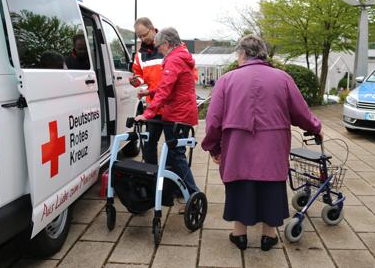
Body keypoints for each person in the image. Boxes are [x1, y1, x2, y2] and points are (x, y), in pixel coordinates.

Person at [201, 34, 323, 251]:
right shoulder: (283, 78)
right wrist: (315, 128)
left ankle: (240, 234)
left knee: (239, 183)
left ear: (243, 54)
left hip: (237, 144)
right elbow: (301, 113)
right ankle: (269, 235)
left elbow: (213, 120)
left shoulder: (226, 80)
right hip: (273, 144)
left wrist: (213, 146)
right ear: (263, 54)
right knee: (271, 185)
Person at [135, 27, 200, 197]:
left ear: (166, 44)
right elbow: (169, 86)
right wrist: (149, 93)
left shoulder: (174, 60)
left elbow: (165, 90)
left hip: (178, 114)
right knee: (174, 154)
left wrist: (147, 114)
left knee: (176, 155)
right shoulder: (178, 56)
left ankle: (192, 193)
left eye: (159, 46)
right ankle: (178, 190)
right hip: (180, 112)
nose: (158, 50)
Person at [130, 17, 164, 164]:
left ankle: (172, 182)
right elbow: (140, 77)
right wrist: (135, 81)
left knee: (173, 148)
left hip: (172, 106)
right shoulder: (139, 54)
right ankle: (151, 176)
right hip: (154, 107)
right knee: (149, 144)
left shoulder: (167, 45)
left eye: (145, 35)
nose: (143, 39)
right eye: (140, 37)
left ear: (152, 29)